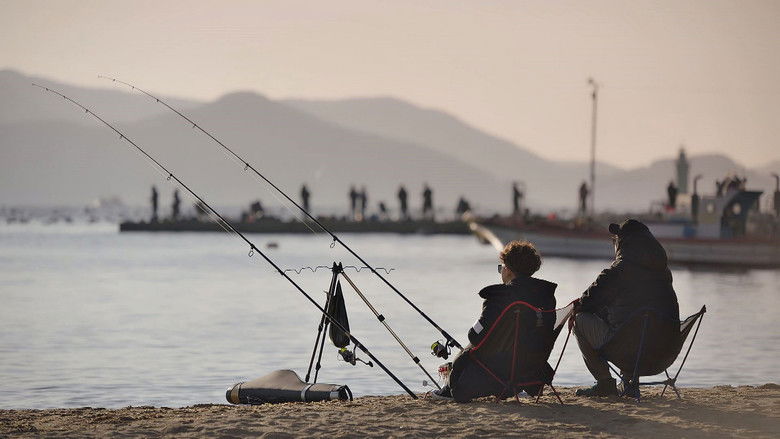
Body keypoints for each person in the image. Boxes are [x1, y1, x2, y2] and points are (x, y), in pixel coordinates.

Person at [430, 241, 557, 402]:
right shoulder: (546, 297)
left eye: (501, 267)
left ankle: (449, 389)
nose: (501, 271)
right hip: (531, 371)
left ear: (508, 269)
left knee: (472, 345)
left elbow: (475, 336)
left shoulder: (499, 297)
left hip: (496, 374)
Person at [573, 219, 679, 397]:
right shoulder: (664, 273)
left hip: (629, 353)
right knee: (633, 322)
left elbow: (585, 303)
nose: (614, 245)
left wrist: (581, 307)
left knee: (579, 319)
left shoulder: (619, 271)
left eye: (615, 240)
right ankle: (630, 384)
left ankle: (605, 383)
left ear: (623, 243)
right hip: (664, 353)